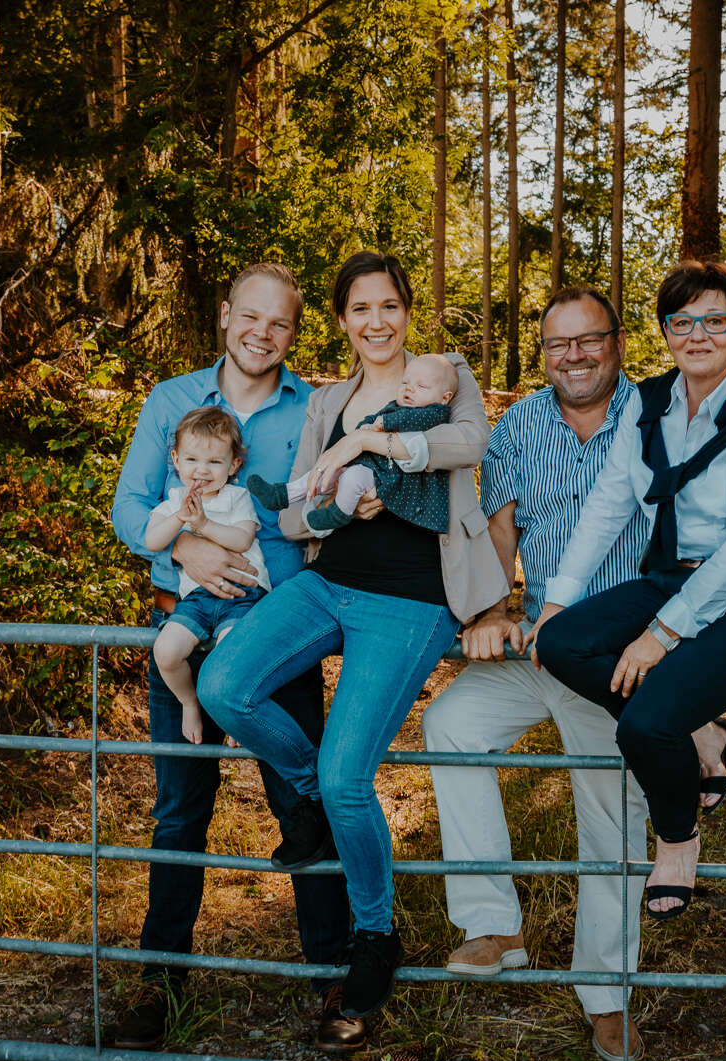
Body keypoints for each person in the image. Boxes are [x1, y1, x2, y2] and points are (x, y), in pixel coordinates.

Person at [422, 284, 726, 1061]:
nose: (574, 356)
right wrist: (496, 611)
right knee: (450, 724)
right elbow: (498, 525)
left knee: (611, 818)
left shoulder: (664, 406)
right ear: (544, 353)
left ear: (620, 341)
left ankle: (607, 994)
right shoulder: (522, 421)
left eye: (589, 339)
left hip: (635, 649)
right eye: (558, 344)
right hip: (552, 641)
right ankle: (494, 923)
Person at [199, 251, 508, 1022]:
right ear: (341, 321)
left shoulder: (443, 373)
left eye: (390, 306)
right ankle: (306, 801)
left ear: (408, 311)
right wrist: (337, 509)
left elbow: (472, 442)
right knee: (224, 685)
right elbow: (293, 516)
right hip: (328, 580)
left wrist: (381, 447)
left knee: (350, 775)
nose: (377, 322)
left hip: (412, 599)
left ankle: (375, 935)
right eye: (360, 309)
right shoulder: (327, 400)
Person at [109, 263, 366, 1053]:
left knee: (303, 795)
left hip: (281, 633)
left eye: (280, 323)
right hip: (184, 619)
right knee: (180, 807)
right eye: (250, 317)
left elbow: (326, 506)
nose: (263, 333)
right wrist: (190, 541)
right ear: (225, 316)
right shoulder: (170, 401)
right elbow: (128, 506)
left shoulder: (316, 408)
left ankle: (333, 969)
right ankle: (160, 979)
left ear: (295, 332)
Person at [531, 260, 726, 929]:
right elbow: (608, 504)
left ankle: (677, 837)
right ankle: (706, 729)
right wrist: (557, 598)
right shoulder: (649, 401)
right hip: (673, 575)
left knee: (643, 723)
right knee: (562, 642)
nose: (697, 334)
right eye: (681, 320)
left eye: (715, 320)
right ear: (665, 331)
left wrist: (660, 634)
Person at [145, 406, 271, 745]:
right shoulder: (174, 501)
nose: (202, 470)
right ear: (175, 459)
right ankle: (189, 702)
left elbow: (242, 539)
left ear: (233, 466)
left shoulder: (237, 497)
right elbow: (152, 540)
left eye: (215, 462)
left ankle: (232, 713)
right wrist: (180, 519)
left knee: (234, 654)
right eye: (192, 460)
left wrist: (203, 524)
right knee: (167, 651)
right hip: (197, 598)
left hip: (242, 595)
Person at [246, 351, 458, 533]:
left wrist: (383, 424)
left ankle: (339, 513)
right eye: (405, 383)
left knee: (352, 480)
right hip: (371, 466)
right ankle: (281, 494)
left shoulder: (435, 413)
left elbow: (411, 420)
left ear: (444, 397)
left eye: (420, 386)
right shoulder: (396, 405)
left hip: (386, 476)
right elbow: (375, 417)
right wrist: (365, 427)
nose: (409, 389)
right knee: (322, 474)